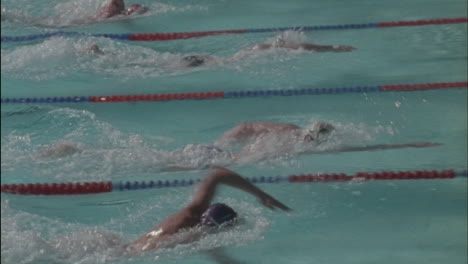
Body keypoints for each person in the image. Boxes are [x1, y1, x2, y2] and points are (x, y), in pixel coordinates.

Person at [123, 167, 290, 255]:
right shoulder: (190, 229)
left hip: (125, 247)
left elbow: (217, 174)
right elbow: (217, 172)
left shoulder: (194, 213)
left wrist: (260, 194)